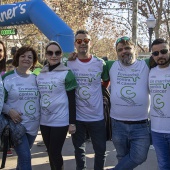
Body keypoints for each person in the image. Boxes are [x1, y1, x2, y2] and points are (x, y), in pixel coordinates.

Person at [106, 36, 151, 170]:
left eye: (127, 48)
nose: (124, 51)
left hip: (141, 124)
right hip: (117, 123)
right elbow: (88, 62)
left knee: (139, 156)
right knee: (122, 156)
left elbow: (164, 56)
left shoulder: (147, 64)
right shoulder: (110, 65)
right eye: (120, 50)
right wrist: (73, 56)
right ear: (117, 53)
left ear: (134, 49)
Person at [67, 30, 109, 170]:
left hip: (97, 117)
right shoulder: (69, 63)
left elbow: (106, 80)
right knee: (79, 151)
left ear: (90, 43)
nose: (83, 43)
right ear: (75, 44)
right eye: (79, 41)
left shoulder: (100, 63)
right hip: (77, 117)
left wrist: (100, 93)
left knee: (101, 151)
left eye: (86, 41)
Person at [36, 41, 77, 170]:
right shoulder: (39, 73)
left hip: (60, 120)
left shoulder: (67, 72)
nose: (54, 55)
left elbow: (72, 100)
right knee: (50, 152)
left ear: (61, 54)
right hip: (44, 120)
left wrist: (72, 122)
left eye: (57, 53)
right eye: (50, 52)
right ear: (46, 55)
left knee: (54, 151)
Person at [2, 46, 40, 170]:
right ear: (17, 58)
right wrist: (9, 110)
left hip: (33, 126)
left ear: (33, 61)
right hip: (16, 126)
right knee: (25, 158)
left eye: (30, 57)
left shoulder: (37, 78)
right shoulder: (6, 78)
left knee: (23, 158)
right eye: (23, 56)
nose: (26, 59)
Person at [149, 38, 170, 170]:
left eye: (163, 51)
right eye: (156, 53)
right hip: (156, 130)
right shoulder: (149, 71)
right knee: (163, 165)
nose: (160, 55)